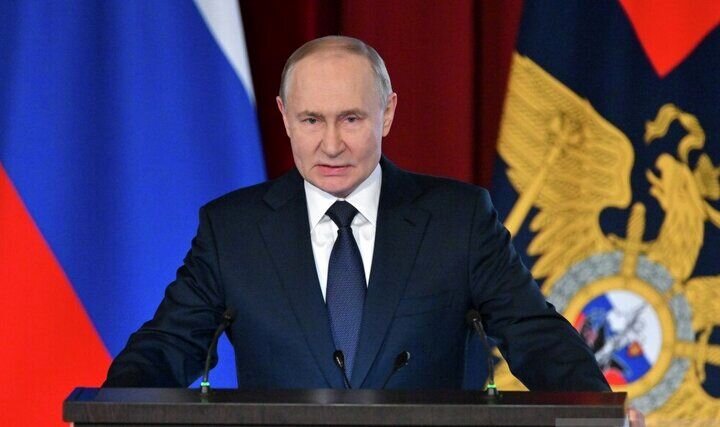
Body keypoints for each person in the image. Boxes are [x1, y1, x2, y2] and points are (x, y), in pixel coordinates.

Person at [103, 35, 609, 392]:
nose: (331, 145)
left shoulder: (459, 221)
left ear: (387, 113)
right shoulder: (232, 231)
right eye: (311, 120)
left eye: (350, 119)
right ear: (284, 116)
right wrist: (109, 408)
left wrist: (597, 411)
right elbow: (167, 347)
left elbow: (538, 339)